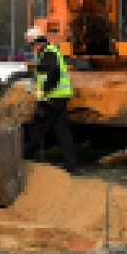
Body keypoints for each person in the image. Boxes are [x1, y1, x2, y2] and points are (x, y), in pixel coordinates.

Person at [20, 27, 82, 176]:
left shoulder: (47, 53)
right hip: (60, 97)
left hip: (51, 98)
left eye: (32, 44)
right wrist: (35, 83)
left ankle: (22, 158)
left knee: (37, 130)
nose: (32, 47)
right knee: (63, 132)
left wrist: (44, 91)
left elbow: (53, 72)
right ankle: (71, 166)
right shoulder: (51, 51)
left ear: (37, 42)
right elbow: (46, 72)